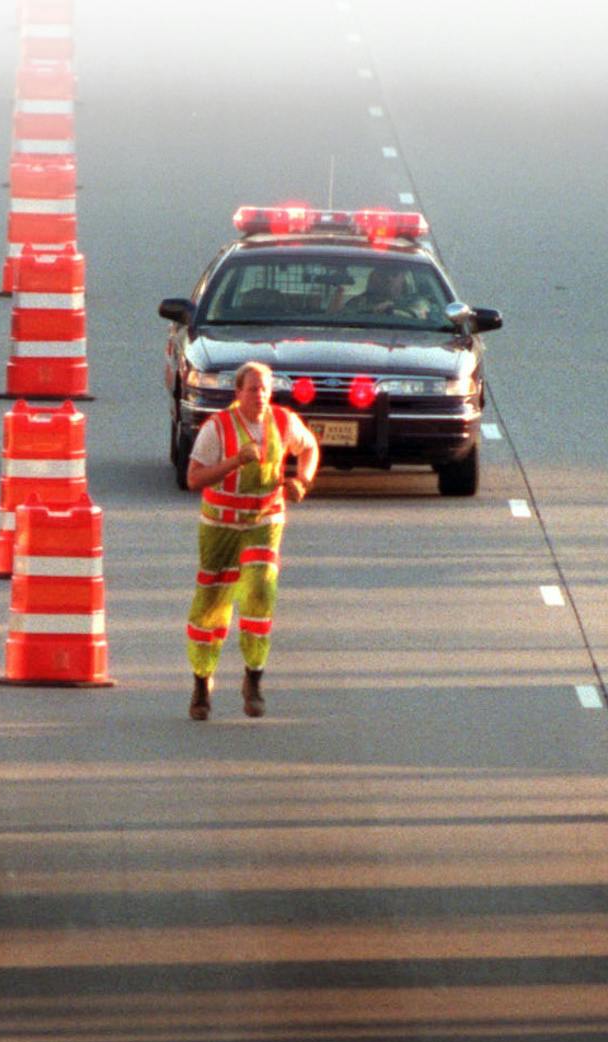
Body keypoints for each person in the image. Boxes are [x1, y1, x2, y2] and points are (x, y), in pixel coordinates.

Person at [183, 360, 321, 719]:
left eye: (264, 388)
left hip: (264, 518)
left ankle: (254, 677)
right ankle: (202, 682)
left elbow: (309, 448)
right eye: (251, 389)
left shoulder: (282, 421)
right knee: (212, 604)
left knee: (260, 591)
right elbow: (194, 479)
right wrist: (232, 463)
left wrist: (301, 480)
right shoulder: (217, 429)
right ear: (238, 393)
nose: (259, 396)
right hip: (220, 526)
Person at [346, 261, 433, 320]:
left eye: (394, 274)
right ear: (373, 278)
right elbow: (343, 319)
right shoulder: (357, 303)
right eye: (383, 274)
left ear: (403, 278)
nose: (389, 279)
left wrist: (392, 311)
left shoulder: (417, 302)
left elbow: (419, 316)